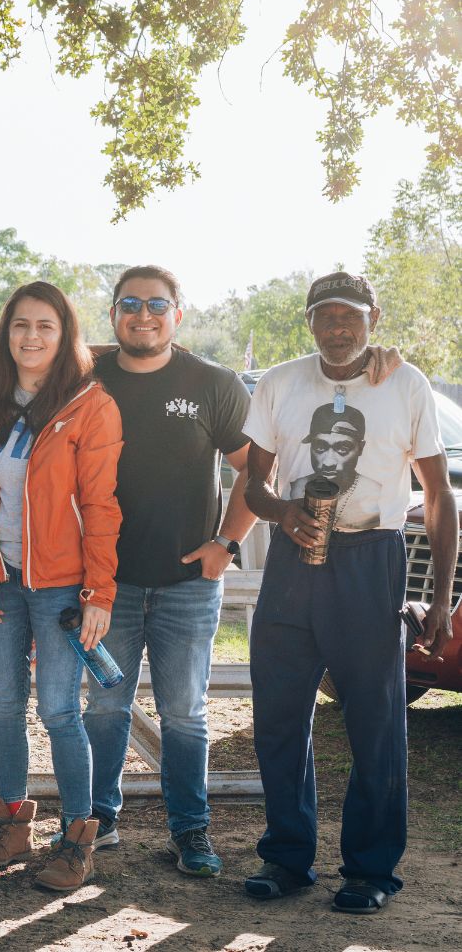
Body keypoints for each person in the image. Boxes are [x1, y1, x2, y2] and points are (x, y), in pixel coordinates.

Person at [240, 271, 456, 914]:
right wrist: (282, 514)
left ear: (373, 316)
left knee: (376, 720)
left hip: (371, 560)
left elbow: (438, 495)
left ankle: (370, 869)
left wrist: (440, 598)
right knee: (279, 714)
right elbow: (253, 486)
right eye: (324, 316)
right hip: (292, 560)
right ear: (309, 322)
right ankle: (286, 857)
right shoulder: (280, 382)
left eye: (351, 316)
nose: (338, 327)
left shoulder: (406, 382)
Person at [82, 265, 257, 878]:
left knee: (185, 711)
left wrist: (226, 543)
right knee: (104, 706)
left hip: (188, 585)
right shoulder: (88, 379)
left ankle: (189, 828)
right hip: (107, 585)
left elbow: (257, 470)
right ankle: (96, 820)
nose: (144, 315)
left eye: (158, 304)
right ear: (113, 315)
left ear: (178, 314)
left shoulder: (212, 383)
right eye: (130, 303)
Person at [0, 281, 123, 893]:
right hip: (0, 582)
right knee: (3, 704)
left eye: (45, 326)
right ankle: (11, 821)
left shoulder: (90, 405)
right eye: (20, 325)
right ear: (6, 334)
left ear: (65, 334)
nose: (31, 336)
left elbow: (101, 506)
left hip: (62, 588)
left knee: (58, 708)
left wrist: (99, 593)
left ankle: (79, 837)